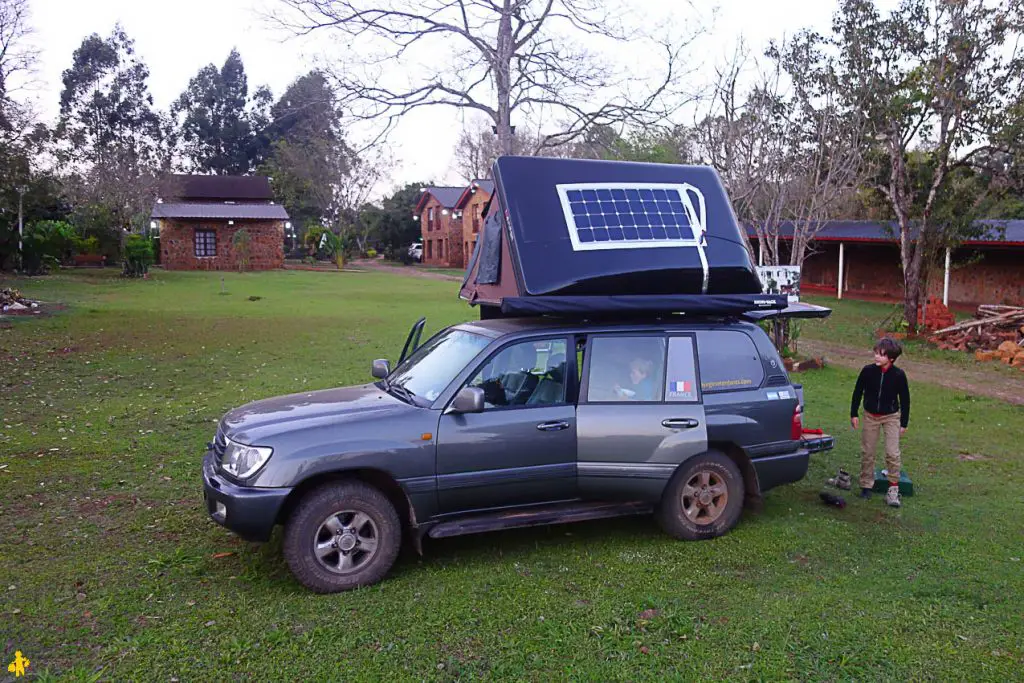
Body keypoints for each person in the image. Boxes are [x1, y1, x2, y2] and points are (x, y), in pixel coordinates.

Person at [850, 336, 911, 507]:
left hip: (891, 417)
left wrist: (904, 423)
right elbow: (857, 392)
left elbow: (905, 400)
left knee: (892, 453)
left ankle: (893, 490)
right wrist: (853, 413)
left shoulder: (899, 375)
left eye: (881, 355)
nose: (876, 357)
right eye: (876, 353)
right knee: (868, 451)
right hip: (870, 416)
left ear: (891, 358)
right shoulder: (867, 371)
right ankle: (866, 486)